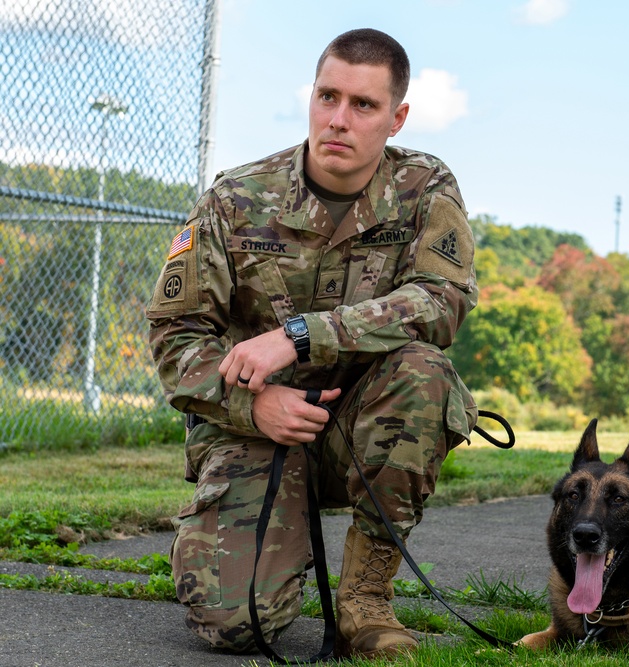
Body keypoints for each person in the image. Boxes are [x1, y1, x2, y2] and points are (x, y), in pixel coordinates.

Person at [146, 28, 478, 659]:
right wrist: (255, 404)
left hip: (361, 425)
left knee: (424, 373)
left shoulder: (423, 190)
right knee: (233, 629)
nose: (339, 119)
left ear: (396, 117)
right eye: (328, 97)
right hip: (254, 431)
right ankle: (239, 538)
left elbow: (442, 300)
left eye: (363, 105)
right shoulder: (236, 199)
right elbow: (174, 336)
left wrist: (301, 337)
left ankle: (365, 600)